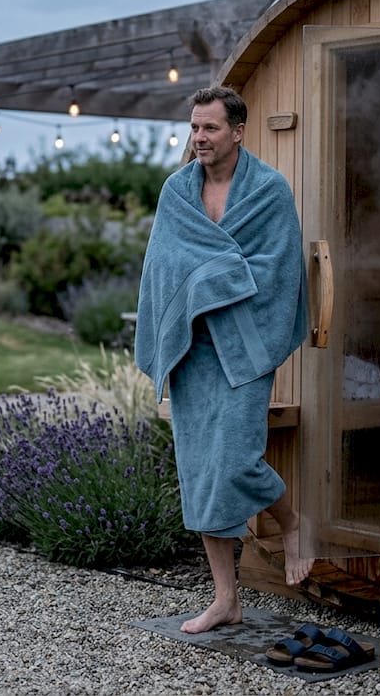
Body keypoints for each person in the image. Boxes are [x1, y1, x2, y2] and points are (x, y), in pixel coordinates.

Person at [134, 86, 313, 635]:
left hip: (244, 346)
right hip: (193, 347)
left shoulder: (268, 192)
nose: (199, 138)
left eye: (210, 128)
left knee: (235, 461)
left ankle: (292, 522)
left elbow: (279, 274)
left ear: (238, 131)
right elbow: (163, 267)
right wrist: (207, 280)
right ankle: (225, 598)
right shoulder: (177, 193)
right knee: (200, 471)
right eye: (194, 128)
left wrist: (211, 275)